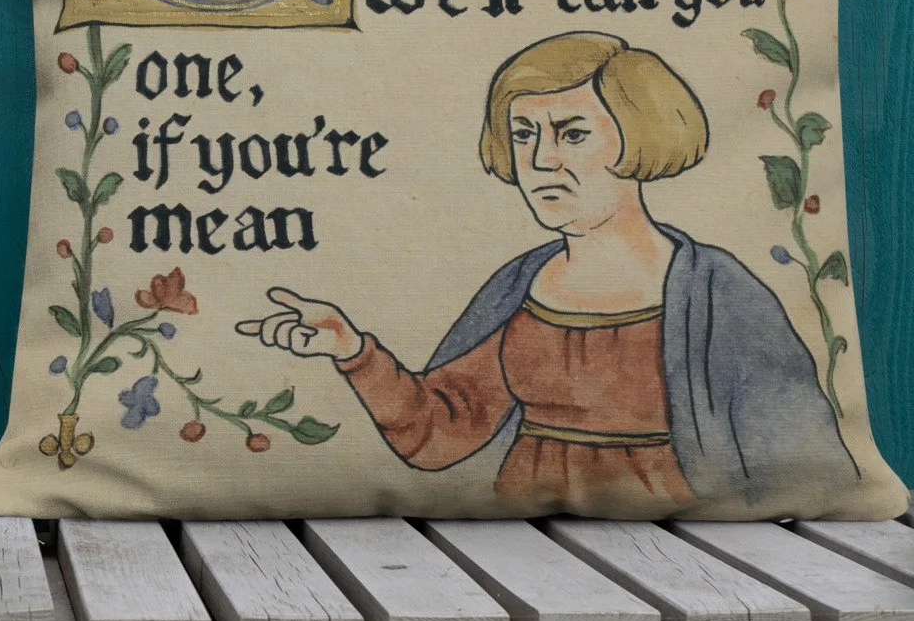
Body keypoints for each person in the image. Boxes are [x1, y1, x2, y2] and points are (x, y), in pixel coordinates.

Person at [237, 30, 856, 514]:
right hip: (515, 550)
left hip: (682, 550)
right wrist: (352, 350)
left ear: (638, 134)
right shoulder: (520, 289)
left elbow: (801, 463)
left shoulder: (717, 292)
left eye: (572, 133)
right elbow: (440, 432)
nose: (540, 160)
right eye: (523, 134)